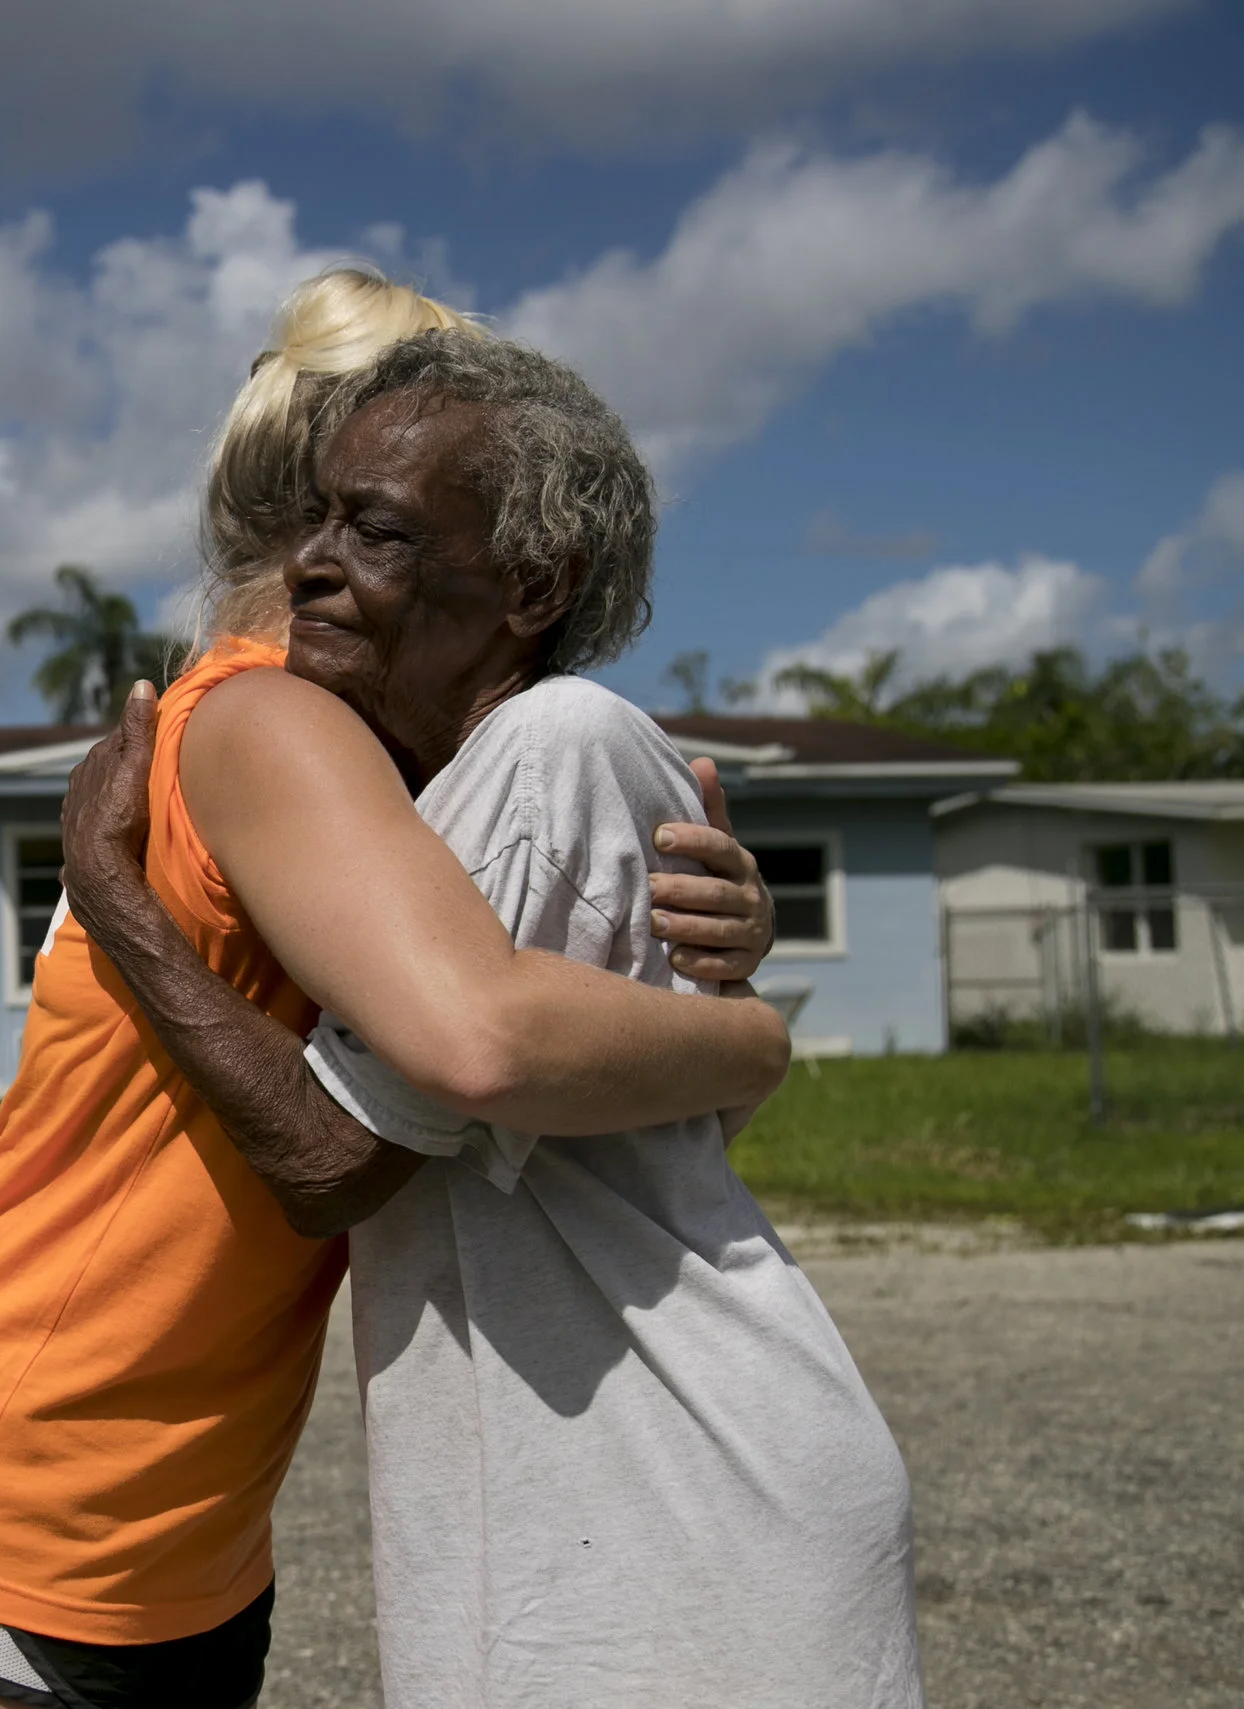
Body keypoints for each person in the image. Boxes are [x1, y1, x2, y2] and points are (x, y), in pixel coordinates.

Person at [0, 276, 794, 1709]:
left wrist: (715, 944)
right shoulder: (269, 722)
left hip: (176, 1529)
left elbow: (585, 1082)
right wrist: (750, 1040)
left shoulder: (413, 770)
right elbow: (415, 1098)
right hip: (11, 1492)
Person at [60, 334, 922, 1706]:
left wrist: (114, 902)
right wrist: (750, 1026)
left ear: (531, 586)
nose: (311, 565)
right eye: (320, 516)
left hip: (678, 1480)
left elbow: (337, 1162)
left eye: (377, 530)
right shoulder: (467, 797)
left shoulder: (550, 749)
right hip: (589, 1476)